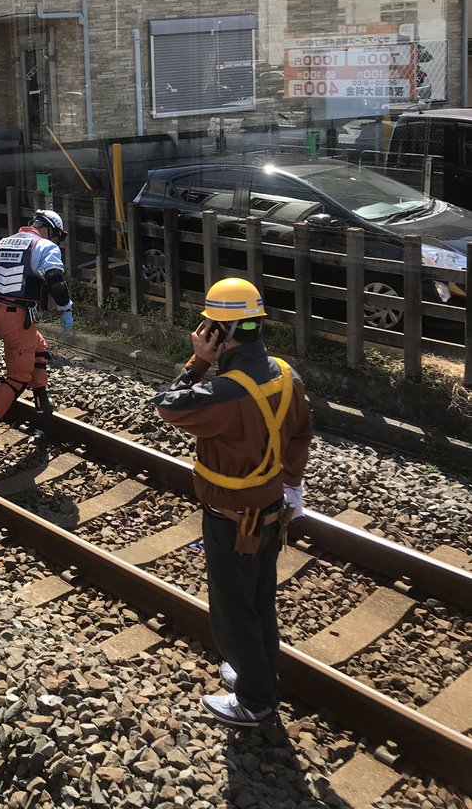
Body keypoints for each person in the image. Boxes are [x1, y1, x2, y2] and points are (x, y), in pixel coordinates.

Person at [152, 278, 312, 727]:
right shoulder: (286, 374)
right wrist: (293, 486)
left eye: (208, 325)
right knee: (259, 599)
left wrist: (197, 362)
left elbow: (167, 405)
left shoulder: (224, 394)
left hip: (230, 519)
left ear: (221, 332)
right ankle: (256, 669)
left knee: (232, 609)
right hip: (271, 511)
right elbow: (299, 435)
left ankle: (257, 700)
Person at [0, 208, 73, 452]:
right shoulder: (44, 247)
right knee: (18, 378)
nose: (54, 240)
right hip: (18, 318)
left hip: (0, 314)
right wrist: (66, 310)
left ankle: (42, 405)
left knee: (39, 348)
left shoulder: (1, 244)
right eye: (55, 235)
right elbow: (56, 282)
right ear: (48, 229)